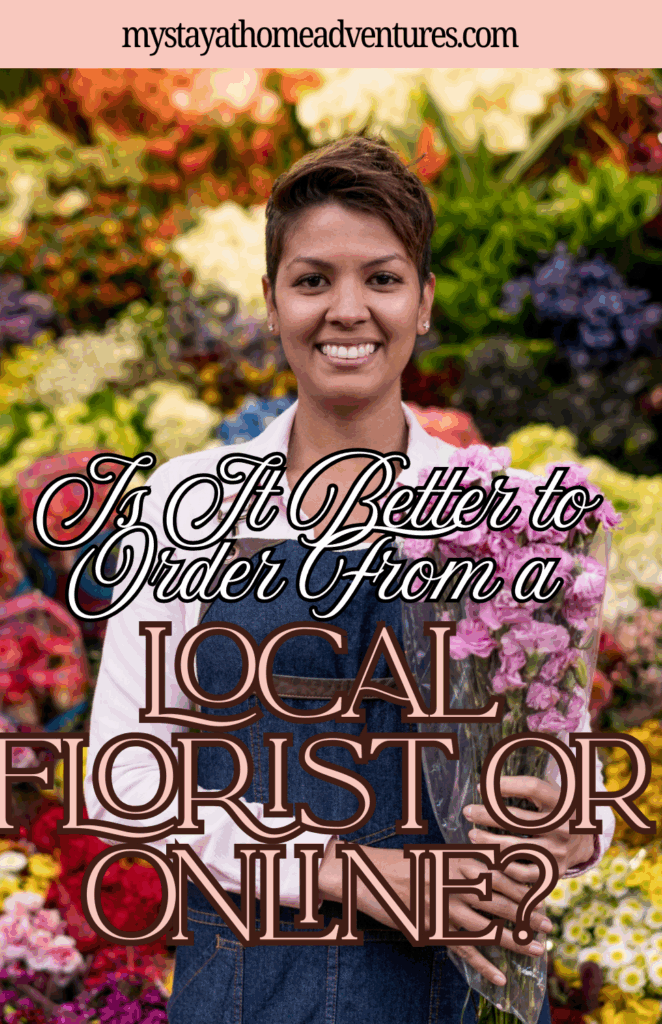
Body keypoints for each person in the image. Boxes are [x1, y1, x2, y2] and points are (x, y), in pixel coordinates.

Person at [85, 136, 615, 1024]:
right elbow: (126, 779)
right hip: (241, 987)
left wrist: (565, 826)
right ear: (270, 302)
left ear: (423, 302)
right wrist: (350, 870)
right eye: (311, 280)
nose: (346, 310)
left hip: (442, 992)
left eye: (381, 278)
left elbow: (564, 769)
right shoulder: (187, 501)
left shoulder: (505, 513)